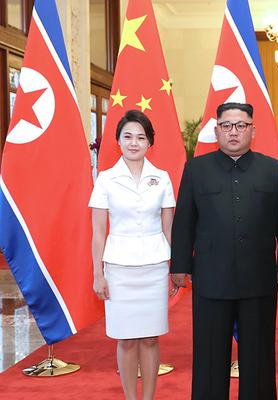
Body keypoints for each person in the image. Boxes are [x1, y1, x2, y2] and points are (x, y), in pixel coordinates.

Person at [170, 102, 278, 400]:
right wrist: (180, 265)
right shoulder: (196, 170)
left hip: (259, 278)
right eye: (226, 126)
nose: (234, 132)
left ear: (253, 130)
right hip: (211, 278)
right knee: (210, 357)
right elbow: (185, 221)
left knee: (259, 356)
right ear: (217, 131)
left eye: (241, 125)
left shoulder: (272, 170)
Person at [90, 109, 175, 400]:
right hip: (119, 269)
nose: (134, 143)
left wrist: (174, 268)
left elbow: (168, 228)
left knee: (150, 338)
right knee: (126, 340)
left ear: (150, 142)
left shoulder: (162, 178)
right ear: (118, 141)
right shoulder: (106, 179)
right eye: (128, 136)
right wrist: (98, 274)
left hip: (155, 267)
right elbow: (98, 232)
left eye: (140, 137)